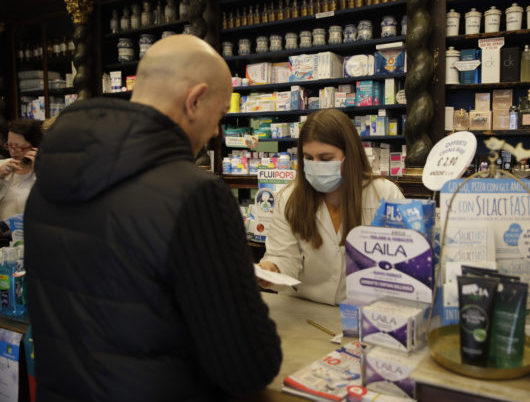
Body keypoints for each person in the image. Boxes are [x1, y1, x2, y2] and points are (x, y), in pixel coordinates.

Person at [24, 35, 282, 401]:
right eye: (220, 115)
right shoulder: (195, 194)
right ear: (195, 100)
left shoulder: (49, 181)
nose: (215, 131)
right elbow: (247, 366)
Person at [258, 109, 405, 305]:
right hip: (303, 308)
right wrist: (272, 269)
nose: (315, 165)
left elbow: (404, 261)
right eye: (308, 158)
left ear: (350, 155)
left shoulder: (385, 194)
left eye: (326, 159)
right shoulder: (289, 198)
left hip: (364, 311)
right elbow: (284, 257)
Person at [0, 119, 42, 220]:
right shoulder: (2, 165)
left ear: (35, 147)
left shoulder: (44, 172)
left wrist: (40, 172)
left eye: (19, 147)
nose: (13, 151)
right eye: (10, 145)